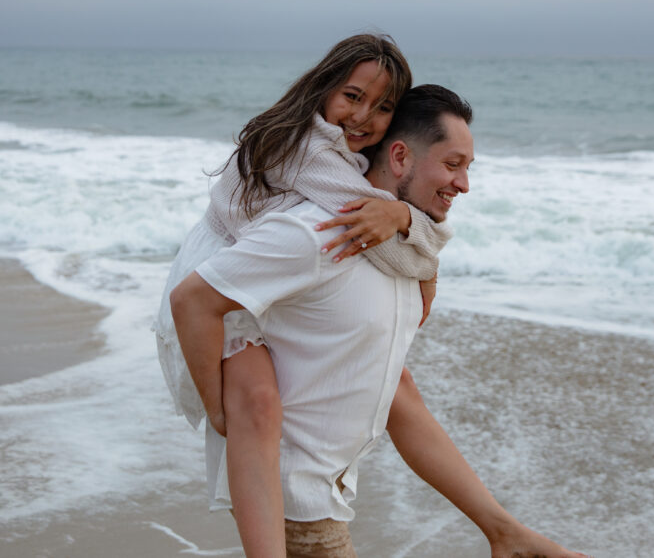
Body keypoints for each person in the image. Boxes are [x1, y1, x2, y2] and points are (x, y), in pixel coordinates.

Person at [172, 86, 590, 557]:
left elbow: (396, 390)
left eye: (469, 168)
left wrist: (499, 528)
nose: (464, 184)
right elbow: (192, 299)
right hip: (290, 504)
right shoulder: (318, 234)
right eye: (453, 165)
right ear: (398, 156)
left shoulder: (404, 254)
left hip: (329, 495)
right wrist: (218, 408)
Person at [153, 35, 453, 553]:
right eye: (352, 96)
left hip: (247, 279)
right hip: (215, 280)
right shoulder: (307, 150)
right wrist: (412, 228)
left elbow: (380, 221)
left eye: (383, 107)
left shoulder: (341, 156)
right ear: (323, 89)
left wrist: (403, 220)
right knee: (255, 410)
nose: (364, 117)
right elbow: (374, 231)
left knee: (265, 410)